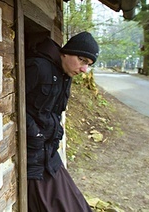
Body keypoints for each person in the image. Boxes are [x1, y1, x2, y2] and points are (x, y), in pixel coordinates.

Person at [25, 31, 99, 211]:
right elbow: (10, 104)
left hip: (49, 155)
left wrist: (54, 133)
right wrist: (35, 132)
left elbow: (54, 113)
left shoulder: (65, 76)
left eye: (88, 64)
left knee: (78, 206)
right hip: (32, 159)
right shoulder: (37, 67)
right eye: (82, 60)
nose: (84, 69)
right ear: (66, 52)